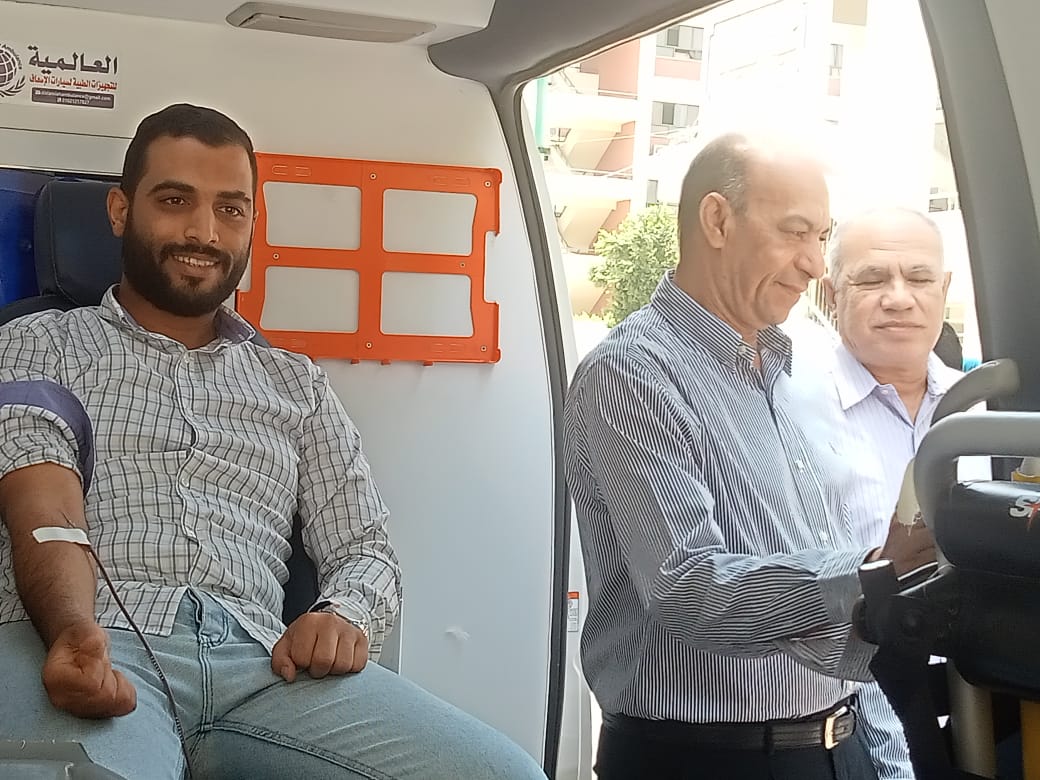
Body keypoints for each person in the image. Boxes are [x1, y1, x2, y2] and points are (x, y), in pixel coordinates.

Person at [0, 103, 545, 780]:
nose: (203, 232)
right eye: (174, 201)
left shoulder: (296, 384)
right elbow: (44, 505)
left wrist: (344, 613)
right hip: (92, 639)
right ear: (119, 210)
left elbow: (364, 547)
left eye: (230, 209)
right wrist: (73, 628)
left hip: (263, 666)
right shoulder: (38, 343)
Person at [563, 132, 937, 780]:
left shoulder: (787, 372)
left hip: (839, 746)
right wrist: (870, 576)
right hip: (703, 760)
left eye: (823, 237)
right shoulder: (631, 375)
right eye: (795, 233)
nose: (815, 265)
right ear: (717, 221)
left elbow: (829, 609)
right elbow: (689, 589)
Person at [808, 207, 991, 779]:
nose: (898, 298)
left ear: (945, 289)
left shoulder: (988, 413)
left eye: (918, 278)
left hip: (984, 711)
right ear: (831, 293)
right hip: (853, 731)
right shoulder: (788, 410)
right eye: (871, 279)